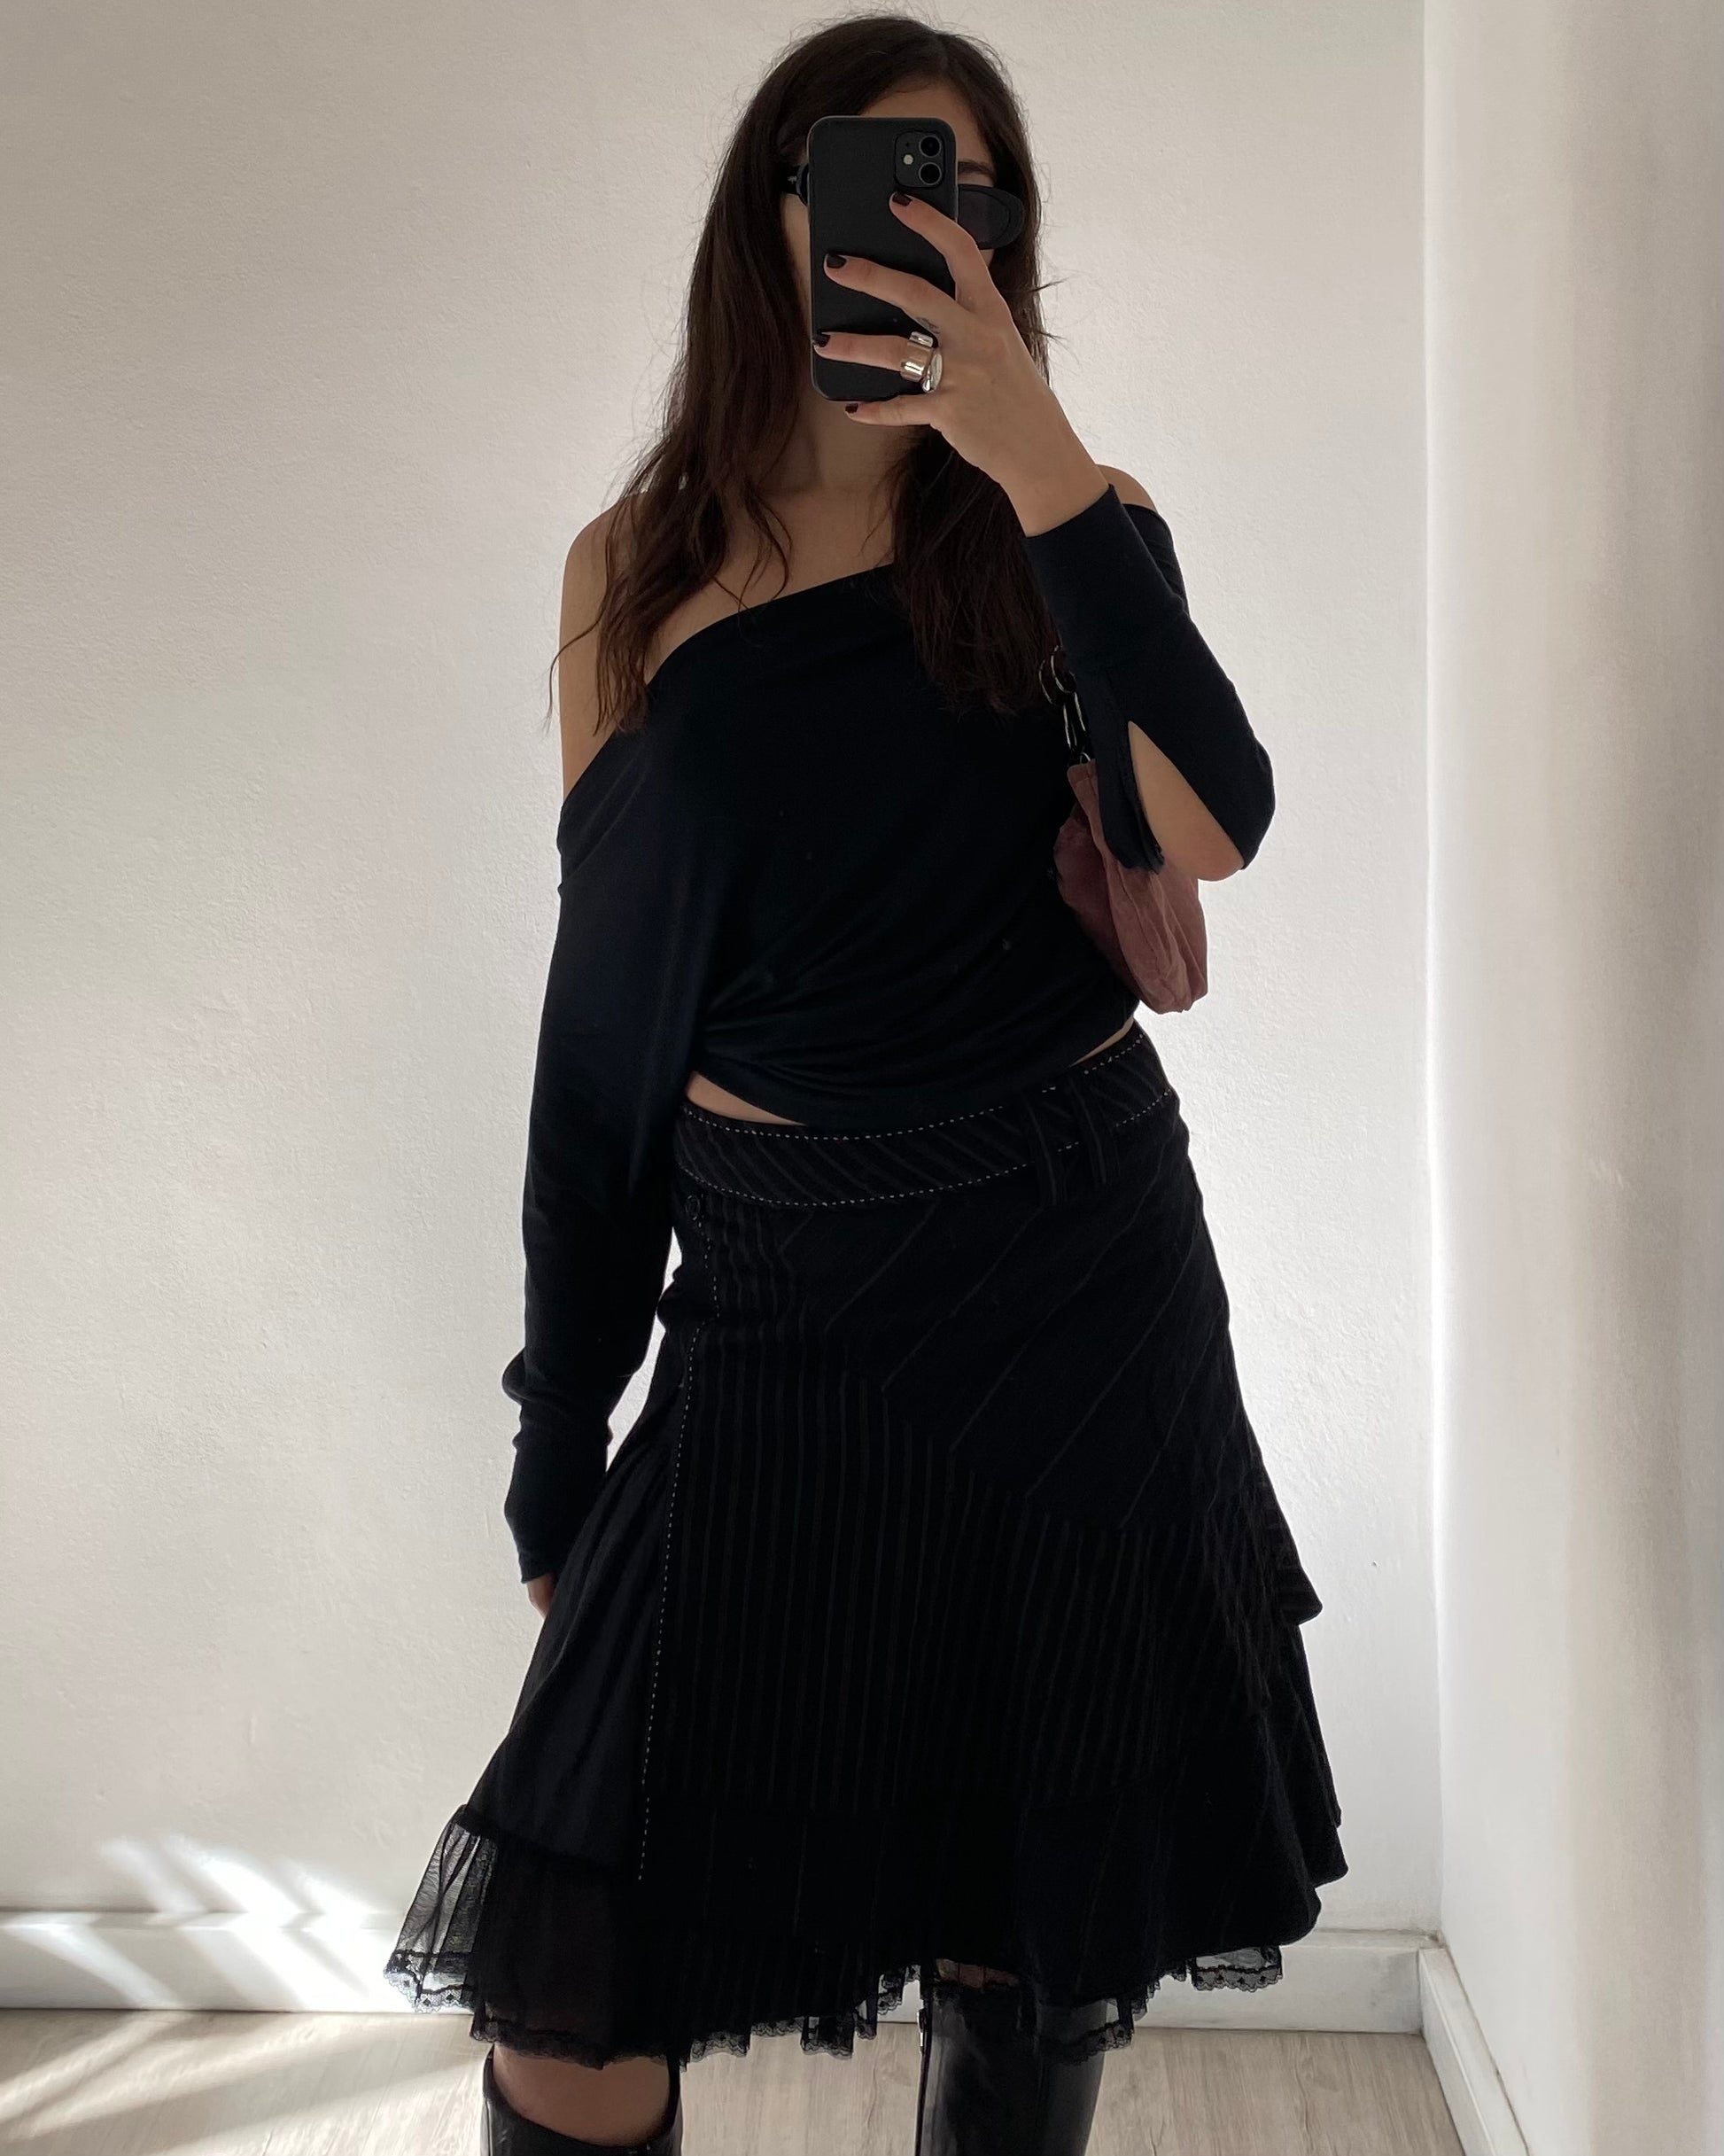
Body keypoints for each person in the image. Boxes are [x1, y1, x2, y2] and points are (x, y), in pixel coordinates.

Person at [384, 19, 1347, 2155]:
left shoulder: (1073, 520)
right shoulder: (635, 571)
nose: (919, 230)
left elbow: (1208, 823)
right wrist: (561, 1420)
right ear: (773, 223)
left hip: (1069, 1277)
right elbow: (602, 1040)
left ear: (1008, 241)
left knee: (1023, 1922)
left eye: (963, 193)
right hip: (774, 1305)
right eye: (872, 185)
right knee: (571, 1993)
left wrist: (1041, 460)